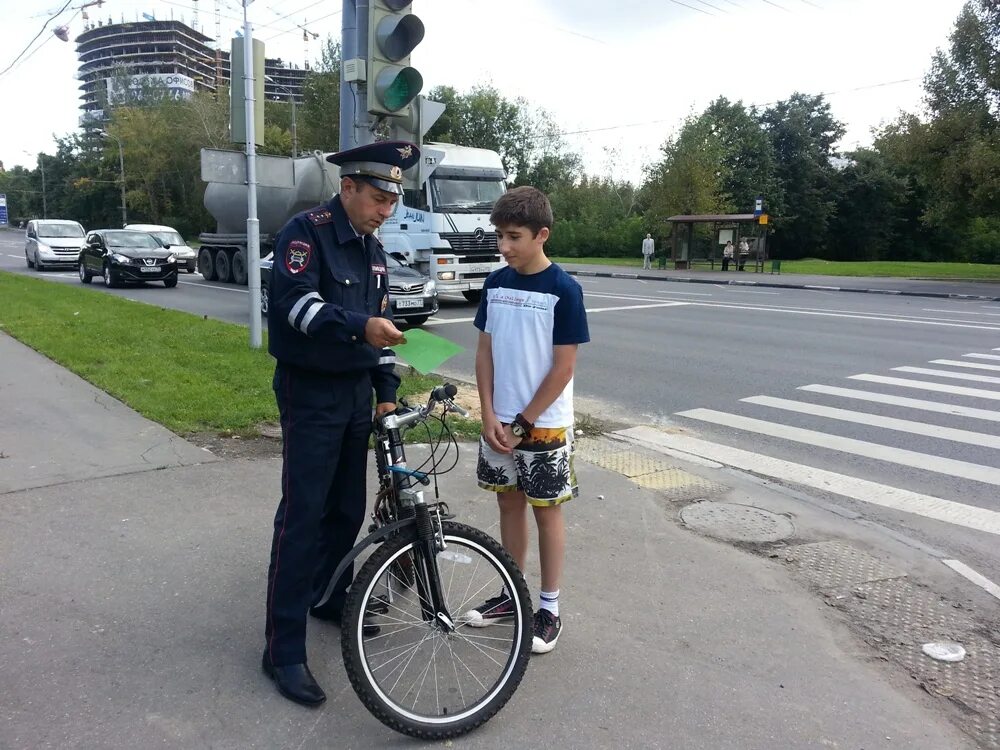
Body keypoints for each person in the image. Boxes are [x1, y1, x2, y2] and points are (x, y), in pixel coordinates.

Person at [261, 141, 420, 707]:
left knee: (347, 510)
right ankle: (281, 650)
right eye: (378, 198)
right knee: (301, 518)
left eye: (392, 200)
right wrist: (360, 326)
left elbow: (384, 333)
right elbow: (294, 308)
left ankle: (326, 597)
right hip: (311, 394)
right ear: (348, 187)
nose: (386, 210)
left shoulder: (373, 250)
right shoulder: (306, 233)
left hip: (355, 398)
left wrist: (384, 396)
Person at [464, 186, 590, 655]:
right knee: (509, 506)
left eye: (514, 236)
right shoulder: (496, 285)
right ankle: (511, 593)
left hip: (544, 424)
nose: (504, 246)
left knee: (546, 511)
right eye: (500, 235)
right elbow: (484, 353)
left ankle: (549, 608)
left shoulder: (564, 290)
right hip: (500, 421)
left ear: (542, 235)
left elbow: (564, 368)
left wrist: (523, 422)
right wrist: (488, 413)